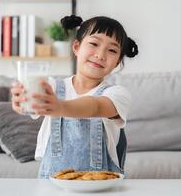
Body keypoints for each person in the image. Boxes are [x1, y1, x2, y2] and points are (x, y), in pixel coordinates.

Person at [11, 15, 138, 179]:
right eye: (94, 44)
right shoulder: (52, 87)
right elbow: (30, 105)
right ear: (77, 47)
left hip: (101, 185)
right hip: (53, 186)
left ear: (117, 62)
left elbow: (95, 106)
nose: (100, 55)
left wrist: (60, 107)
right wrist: (21, 102)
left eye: (112, 50)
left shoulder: (117, 94)